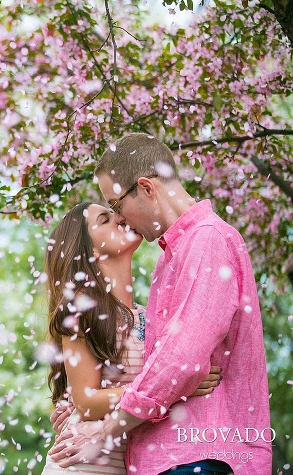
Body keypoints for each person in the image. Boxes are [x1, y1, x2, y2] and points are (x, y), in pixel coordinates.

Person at [48, 134, 272, 474]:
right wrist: (82, 404)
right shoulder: (168, 260)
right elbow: (167, 369)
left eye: (116, 205)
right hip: (140, 457)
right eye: (109, 215)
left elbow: (181, 360)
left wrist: (109, 416)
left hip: (194, 453)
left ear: (146, 188)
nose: (120, 218)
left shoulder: (206, 240)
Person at [40, 202, 220, 475]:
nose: (119, 218)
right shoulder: (81, 310)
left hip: (131, 463)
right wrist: (175, 387)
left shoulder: (149, 315)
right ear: (92, 252)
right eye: (105, 219)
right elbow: (87, 403)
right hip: (81, 465)